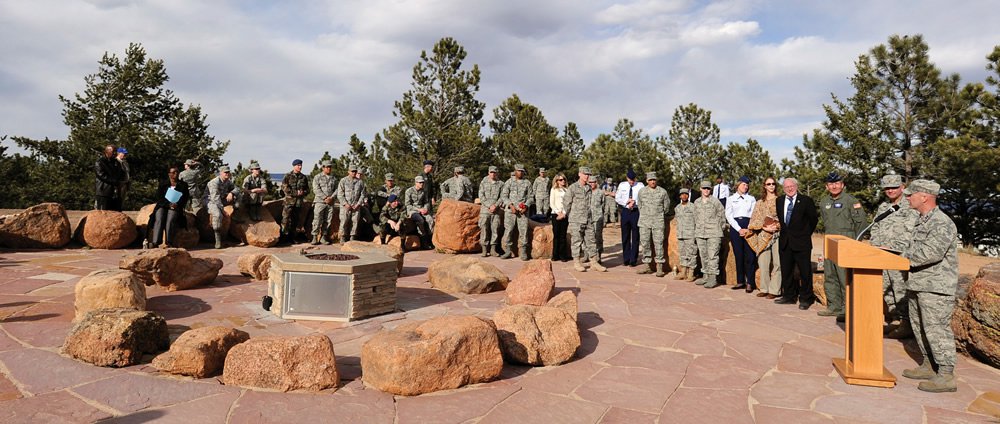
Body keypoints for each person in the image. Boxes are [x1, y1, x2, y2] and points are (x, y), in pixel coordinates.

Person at [899, 179, 959, 393]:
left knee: (937, 330)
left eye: (911, 194)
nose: (907, 198)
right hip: (918, 284)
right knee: (920, 328)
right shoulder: (921, 220)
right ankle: (928, 365)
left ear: (924, 196)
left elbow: (930, 253)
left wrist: (900, 259)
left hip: (936, 287)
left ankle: (945, 375)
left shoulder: (941, 222)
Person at [872, 174, 919, 339]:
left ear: (902, 187)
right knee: (887, 290)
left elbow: (910, 231)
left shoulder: (910, 206)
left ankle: (906, 324)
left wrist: (892, 248)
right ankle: (895, 320)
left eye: (894, 187)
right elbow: (875, 227)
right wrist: (877, 246)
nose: (890, 191)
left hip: (900, 256)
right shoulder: (884, 207)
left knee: (900, 290)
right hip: (882, 255)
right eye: (887, 188)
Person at [817, 171, 867, 320]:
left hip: (847, 240)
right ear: (827, 186)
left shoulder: (851, 201)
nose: (834, 186)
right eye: (831, 184)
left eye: (837, 183)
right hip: (829, 240)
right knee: (830, 274)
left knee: (844, 275)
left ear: (843, 185)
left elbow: (861, 224)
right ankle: (834, 306)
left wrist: (854, 243)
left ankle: (847, 308)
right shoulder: (824, 202)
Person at [774, 177, 819, 309]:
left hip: (802, 242)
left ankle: (806, 298)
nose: (790, 188)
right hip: (785, 242)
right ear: (783, 189)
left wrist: (804, 234)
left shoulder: (806, 201)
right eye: (786, 186)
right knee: (786, 271)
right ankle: (789, 296)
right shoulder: (779, 201)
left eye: (792, 185)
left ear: (797, 186)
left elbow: (813, 220)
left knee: (805, 272)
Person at [562, 167, 605, 272]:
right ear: (579, 174)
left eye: (588, 174)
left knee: (591, 241)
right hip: (576, 219)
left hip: (588, 219)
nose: (587, 176)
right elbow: (567, 203)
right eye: (585, 174)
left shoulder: (588, 188)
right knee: (576, 242)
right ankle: (576, 262)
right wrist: (566, 215)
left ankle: (593, 262)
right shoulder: (573, 188)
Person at [745, 176, 782, 299]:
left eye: (773, 184)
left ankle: (775, 290)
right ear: (764, 186)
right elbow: (753, 220)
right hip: (763, 235)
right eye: (768, 184)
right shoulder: (759, 203)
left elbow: (785, 219)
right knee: (763, 263)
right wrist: (764, 227)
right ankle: (764, 288)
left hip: (777, 234)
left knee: (778, 263)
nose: (771, 186)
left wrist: (776, 225)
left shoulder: (780, 200)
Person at [726, 176, 758, 292]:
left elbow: (754, 214)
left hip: (749, 226)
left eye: (747, 185)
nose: (746, 186)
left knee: (750, 255)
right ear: (738, 185)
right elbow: (729, 215)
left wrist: (748, 229)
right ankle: (740, 281)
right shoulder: (731, 199)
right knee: (738, 255)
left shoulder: (751, 199)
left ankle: (750, 282)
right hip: (736, 228)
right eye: (744, 184)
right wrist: (739, 229)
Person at [636, 172, 671, 277]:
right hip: (644, 222)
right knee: (645, 243)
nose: (652, 181)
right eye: (650, 180)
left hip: (658, 222)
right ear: (647, 181)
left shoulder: (662, 192)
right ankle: (647, 266)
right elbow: (640, 205)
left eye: (654, 180)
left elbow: (666, 207)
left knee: (658, 244)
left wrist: (657, 215)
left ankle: (659, 266)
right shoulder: (642, 192)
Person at [145, 166, 189, 248]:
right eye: (173, 172)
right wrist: (168, 204)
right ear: (169, 174)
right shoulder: (163, 184)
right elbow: (159, 197)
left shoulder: (183, 185)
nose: (175, 174)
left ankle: (169, 242)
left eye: (176, 172)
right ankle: (156, 242)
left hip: (175, 206)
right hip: (162, 205)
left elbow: (185, 198)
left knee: (171, 218)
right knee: (159, 217)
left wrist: (177, 204)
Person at [694, 180, 726, 288]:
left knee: (712, 256)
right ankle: (705, 276)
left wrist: (718, 229)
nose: (706, 190)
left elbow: (722, 216)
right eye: (704, 188)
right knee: (703, 255)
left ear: (711, 189)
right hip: (700, 232)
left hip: (714, 233)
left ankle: (713, 278)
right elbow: (695, 217)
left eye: (708, 188)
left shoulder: (715, 202)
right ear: (700, 189)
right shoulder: (697, 202)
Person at [500, 164, 534, 260]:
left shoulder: (527, 183)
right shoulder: (509, 182)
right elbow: (504, 196)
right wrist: (511, 205)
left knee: (523, 231)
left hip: (523, 211)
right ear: (515, 171)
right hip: (510, 211)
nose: (520, 172)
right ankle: (507, 250)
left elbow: (531, 197)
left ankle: (523, 251)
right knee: (508, 230)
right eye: (519, 171)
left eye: (522, 171)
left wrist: (526, 206)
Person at [206, 165, 240, 249]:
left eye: (228, 172)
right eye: (225, 172)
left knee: (239, 195)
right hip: (210, 200)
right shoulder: (214, 182)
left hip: (221, 198)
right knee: (218, 215)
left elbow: (237, 189)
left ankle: (235, 214)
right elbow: (215, 198)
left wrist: (231, 193)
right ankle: (218, 239)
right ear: (220, 173)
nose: (227, 174)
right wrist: (223, 211)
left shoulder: (228, 181)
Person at [615, 169, 644, 266]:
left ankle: (633, 259)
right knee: (625, 236)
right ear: (627, 178)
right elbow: (617, 198)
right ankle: (626, 258)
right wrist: (626, 203)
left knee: (635, 236)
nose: (631, 181)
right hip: (626, 211)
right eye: (630, 179)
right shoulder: (622, 185)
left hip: (636, 212)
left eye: (633, 179)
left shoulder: (640, 186)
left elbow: (643, 199)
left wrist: (635, 202)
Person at [280, 159, 310, 244]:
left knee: (295, 221)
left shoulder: (303, 177)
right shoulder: (288, 176)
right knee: (285, 220)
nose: (300, 167)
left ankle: (293, 237)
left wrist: (303, 192)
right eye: (298, 165)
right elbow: (285, 188)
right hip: (289, 202)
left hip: (298, 203)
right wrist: (296, 193)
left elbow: (308, 190)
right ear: (294, 166)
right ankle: (283, 238)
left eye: (301, 165)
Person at [478, 166, 504, 256]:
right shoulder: (483, 183)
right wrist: (489, 205)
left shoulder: (501, 184)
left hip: (496, 210)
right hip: (485, 210)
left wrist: (495, 205)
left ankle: (493, 249)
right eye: (491, 172)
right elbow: (481, 195)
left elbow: (502, 196)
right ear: (488, 173)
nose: (493, 174)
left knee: (495, 229)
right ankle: (484, 249)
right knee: (484, 228)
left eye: (494, 172)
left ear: (497, 173)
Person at [337, 164, 366, 243]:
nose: (354, 173)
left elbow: (363, 194)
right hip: (345, 206)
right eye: (352, 171)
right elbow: (340, 194)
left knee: (355, 221)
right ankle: (342, 237)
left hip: (355, 206)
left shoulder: (360, 182)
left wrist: (358, 204)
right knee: (344, 221)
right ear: (348, 171)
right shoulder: (343, 181)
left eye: (355, 171)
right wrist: (345, 204)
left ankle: (352, 237)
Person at [404, 175, 434, 249]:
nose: (422, 184)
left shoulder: (424, 191)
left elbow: (426, 202)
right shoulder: (409, 191)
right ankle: (423, 242)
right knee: (420, 220)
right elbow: (408, 204)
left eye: (422, 182)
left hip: (422, 209)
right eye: (420, 182)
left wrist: (425, 208)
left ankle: (430, 240)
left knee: (430, 220)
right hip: (412, 210)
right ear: (416, 183)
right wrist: (418, 210)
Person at [311, 160, 337, 245]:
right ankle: (314, 236)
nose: (329, 168)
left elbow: (337, 190)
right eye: (327, 167)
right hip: (320, 201)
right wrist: (325, 197)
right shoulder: (317, 177)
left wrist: (331, 198)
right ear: (323, 168)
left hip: (330, 202)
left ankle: (323, 237)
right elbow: (316, 189)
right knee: (317, 219)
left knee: (328, 220)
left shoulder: (333, 178)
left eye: (330, 167)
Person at [674, 188, 697, 281]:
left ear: (688, 196)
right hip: (681, 234)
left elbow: (697, 220)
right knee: (682, 254)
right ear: (680, 196)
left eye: (686, 194)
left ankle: (691, 273)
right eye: (682, 194)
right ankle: (683, 272)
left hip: (690, 234)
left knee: (691, 254)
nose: (684, 196)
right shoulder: (677, 208)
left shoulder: (693, 207)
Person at [94, 144, 124, 211]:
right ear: (107, 152)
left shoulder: (117, 162)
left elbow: (120, 173)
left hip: (116, 193)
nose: (115, 153)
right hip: (104, 192)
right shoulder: (100, 162)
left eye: (116, 151)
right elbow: (102, 176)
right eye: (113, 151)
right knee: (103, 214)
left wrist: (121, 181)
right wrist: (115, 182)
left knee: (117, 213)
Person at [549, 173, 569, 261]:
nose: (563, 181)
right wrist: (558, 212)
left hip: (564, 214)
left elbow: (568, 202)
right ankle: (555, 255)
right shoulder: (554, 189)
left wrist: (564, 212)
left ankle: (562, 255)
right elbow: (551, 203)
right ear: (556, 181)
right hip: (555, 214)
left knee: (563, 235)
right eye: (560, 180)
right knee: (556, 235)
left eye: (564, 179)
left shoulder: (567, 190)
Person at [588, 175, 607, 258]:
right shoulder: (586, 191)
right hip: (587, 218)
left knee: (598, 236)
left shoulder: (601, 192)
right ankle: (587, 254)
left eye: (594, 182)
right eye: (590, 182)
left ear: (596, 183)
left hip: (598, 217)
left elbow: (604, 205)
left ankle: (598, 254)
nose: (592, 184)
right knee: (588, 237)